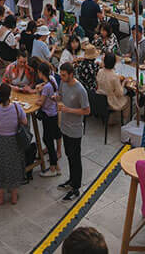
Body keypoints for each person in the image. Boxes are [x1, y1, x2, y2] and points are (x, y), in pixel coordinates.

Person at [0, 81, 29, 205]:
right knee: (14, 166)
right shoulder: (16, 108)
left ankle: (0, 198)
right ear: (9, 95)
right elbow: (25, 122)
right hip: (13, 141)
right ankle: (14, 197)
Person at [56, 62, 91, 201]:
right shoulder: (63, 83)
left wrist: (68, 110)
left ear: (71, 74)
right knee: (69, 155)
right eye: (61, 75)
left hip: (75, 130)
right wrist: (56, 98)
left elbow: (87, 110)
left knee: (75, 158)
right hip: (64, 126)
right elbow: (60, 95)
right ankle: (71, 180)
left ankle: (76, 187)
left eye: (64, 75)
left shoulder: (80, 90)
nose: (62, 77)